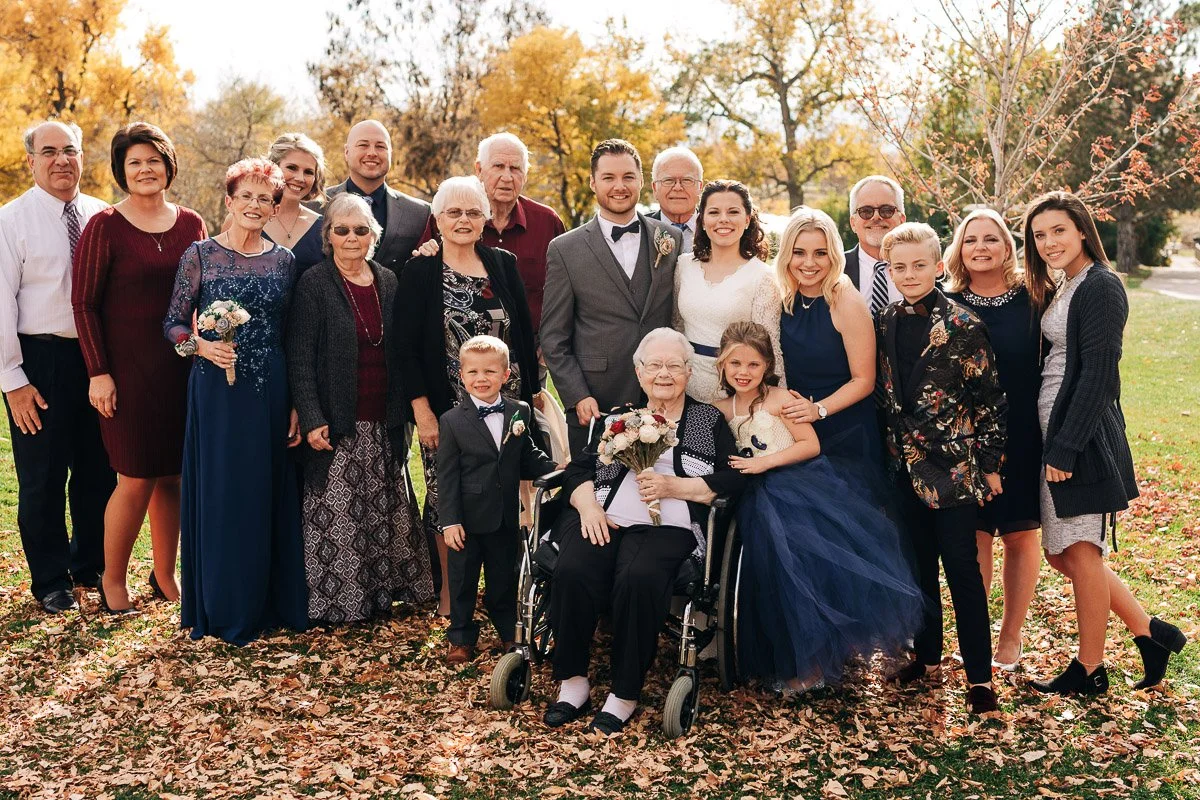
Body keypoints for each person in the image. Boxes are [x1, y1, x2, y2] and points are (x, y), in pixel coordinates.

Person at [1023, 192, 1186, 694]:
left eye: (1058, 231)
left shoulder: (1102, 286)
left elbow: (1096, 374)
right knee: (1062, 554)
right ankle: (1149, 631)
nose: (1049, 242)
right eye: (1039, 235)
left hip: (1080, 438)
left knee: (1081, 550)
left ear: (1083, 232)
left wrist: (1064, 447)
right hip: (1055, 431)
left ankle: (1090, 668)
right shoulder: (1068, 284)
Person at [543, 328, 744, 735]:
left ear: (689, 373)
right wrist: (589, 508)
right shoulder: (620, 418)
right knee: (574, 567)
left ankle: (624, 691)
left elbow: (733, 478)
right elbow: (580, 469)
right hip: (607, 517)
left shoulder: (707, 419)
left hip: (669, 525)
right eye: (654, 365)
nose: (663, 374)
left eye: (674, 365)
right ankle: (573, 681)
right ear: (639, 372)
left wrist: (677, 487)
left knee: (639, 576)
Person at [713, 321, 922, 694]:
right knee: (765, 571)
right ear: (722, 366)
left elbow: (810, 445)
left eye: (753, 365)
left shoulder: (780, 399)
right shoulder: (718, 410)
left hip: (793, 487)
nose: (743, 373)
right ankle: (776, 657)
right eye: (735, 365)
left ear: (767, 366)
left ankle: (815, 664)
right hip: (749, 496)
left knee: (802, 567)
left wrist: (764, 463)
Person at [164, 157, 307, 645]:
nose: (254, 205)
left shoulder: (284, 262)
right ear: (229, 201)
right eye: (245, 196)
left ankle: (267, 602)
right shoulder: (200, 256)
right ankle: (223, 606)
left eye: (264, 198)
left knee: (263, 492)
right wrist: (200, 345)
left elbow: (288, 334)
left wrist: (294, 404)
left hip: (269, 390)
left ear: (273, 209)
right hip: (216, 391)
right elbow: (173, 324)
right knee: (223, 493)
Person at [72, 122, 207, 613]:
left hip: (181, 370)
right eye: (135, 162)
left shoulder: (192, 223)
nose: (145, 169)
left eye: (153, 160)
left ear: (168, 165)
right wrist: (98, 372)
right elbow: (84, 305)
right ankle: (112, 580)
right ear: (121, 172)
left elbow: (203, 292)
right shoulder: (105, 225)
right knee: (134, 477)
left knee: (172, 474)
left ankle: (165, 575)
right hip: (126, 374)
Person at [396, 176, 540, 618]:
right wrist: (422, 410)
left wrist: (531, 398)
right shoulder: (420, 270)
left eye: (473, 212)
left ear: (485, 220)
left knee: (510, 493)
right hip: (448, 410)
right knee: (448, 495)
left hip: (507, 405)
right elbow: (403, 347)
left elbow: (523, 334)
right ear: (437, 219)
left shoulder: (502, 263)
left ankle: (508, 590)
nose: (463, 220)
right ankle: (451, 595)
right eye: (453, 212)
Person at [286, 193, 434, 624]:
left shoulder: (388, 279)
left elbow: (402, 349)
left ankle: (382, 596)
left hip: (382, 419)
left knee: (384, 509)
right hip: (337, 422)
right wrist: (312, 417)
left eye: (362, 229)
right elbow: (299, 356)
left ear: (375, 235)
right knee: (338, 515)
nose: (352, 238)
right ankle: (342, 604)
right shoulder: (315, 282)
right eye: (342, 230)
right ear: (327, 236)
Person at [876, 222, 1005, 715]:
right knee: (918, 569)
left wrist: (991, 465)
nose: (909, 274)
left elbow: (990, 400)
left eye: (918, 265)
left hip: (952, 472)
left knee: (963, 573)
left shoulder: (964, 325)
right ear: (889, 270)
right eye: (899, 266)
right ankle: (927, 658)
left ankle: (979, 679)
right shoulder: (884, 320)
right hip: (902, 469)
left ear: (938, 266)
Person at [0, 121, 115, 614]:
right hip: (39, 360)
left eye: (70, 150)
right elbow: (1, 302)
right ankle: (50, 579)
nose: (61, 160)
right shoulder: (10, 221)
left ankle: (88, 564)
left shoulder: (101, 215)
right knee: (43, 477)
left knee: (98, 469)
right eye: (49, 152)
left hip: (96, 359)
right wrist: (12, 381)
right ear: (31, 161)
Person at [942, 209, 1041, 671]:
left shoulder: (1036, 299)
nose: (980, 247)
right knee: (975, 535)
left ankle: (1012, 636)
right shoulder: (947, 303)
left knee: (1021, 534)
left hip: (1024, 432)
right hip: (967, 438)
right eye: (970, 240)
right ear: (959, 249)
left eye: (990, 239)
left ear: (1007, 246)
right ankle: (976, 635)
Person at [541, 139, 683, 455]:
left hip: (662, 397)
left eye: (628, 177)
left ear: (642, 181)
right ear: (593, 182)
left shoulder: (669, 239)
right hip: (596, 401)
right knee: (595, 495)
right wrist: (577, 395)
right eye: (609, 178)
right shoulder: (565, 249)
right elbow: (553, 337)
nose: (619, 186)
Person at [437, 335, 557, 664]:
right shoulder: (452, 421)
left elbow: (528, 456)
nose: (481, 379)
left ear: (505, 375)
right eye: (473, 372)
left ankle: (508, 633)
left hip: (504, 517)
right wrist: (450, 521)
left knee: (503, 579)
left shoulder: (519, 412)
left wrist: (557, 469)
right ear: (462, 375)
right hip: (466, 520)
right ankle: (460, 637)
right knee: (462, 581)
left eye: (490, 372)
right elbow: (445, 477)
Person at [418, 132, 566, 335]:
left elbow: (564, 291)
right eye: (498, 166)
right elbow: (423, 280)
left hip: (529, 351)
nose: (507, 177)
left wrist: (548, 347)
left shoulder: (547, 222)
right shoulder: (448, 218)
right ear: (479, 169)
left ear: (525, 175)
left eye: (515, 168)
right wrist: (428, 250)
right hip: (459, 351)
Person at [775, 207, 883, 467]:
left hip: (843, 427)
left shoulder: (844, 299)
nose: (809, 263)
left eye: (820, 253)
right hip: (797, 428)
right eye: (799, 252)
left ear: (833, 254)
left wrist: (818, 410)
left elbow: (864, 380)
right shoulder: (784, 296)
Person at [672, 180, 780, 403]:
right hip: (685, 387)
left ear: (747, 219)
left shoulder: (761, 276)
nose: (723, 219)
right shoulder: (683, 266)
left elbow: (771, 347)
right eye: (714, 212)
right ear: (702, 220)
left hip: (736, 392)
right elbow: (677, 325)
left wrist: (776, 400)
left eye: (733, 212)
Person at [325, 119, 432, 274]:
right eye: (363, 145)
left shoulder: (419, 214)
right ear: (347, 152)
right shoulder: (318, 204)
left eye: (380, 147)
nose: (372, 153)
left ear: (391, 154)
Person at [844, 176, 906, 317]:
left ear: (902, 220)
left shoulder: (925, 269)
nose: (876, 217)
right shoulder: (834, 270)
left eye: (886, 210)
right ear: (853, 223)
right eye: (866, 211)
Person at [647, 146, 703, 254]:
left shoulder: (716, 229)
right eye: (668, 180)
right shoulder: (640, 230)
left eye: (687, 180)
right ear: (655, 188)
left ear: (700, 187)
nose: (677, 187)